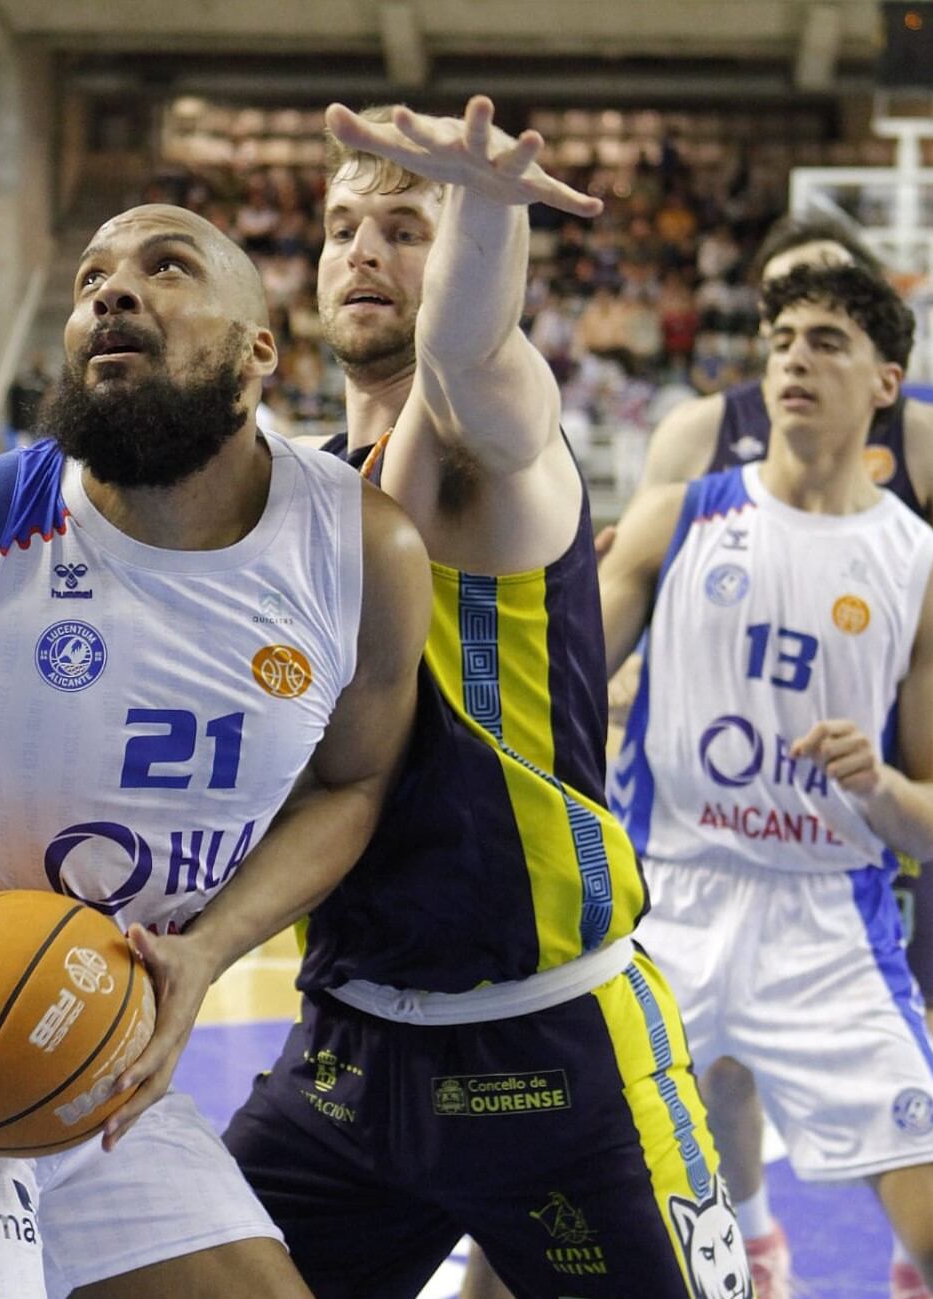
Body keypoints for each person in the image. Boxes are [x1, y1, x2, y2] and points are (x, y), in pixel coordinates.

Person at [0, 202, 431, 1299]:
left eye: (165, 267)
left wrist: (205, 953)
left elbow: (349, 784)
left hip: (96, 1038)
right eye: (90, 276)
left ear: (261, 348)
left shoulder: (359, 549)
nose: (108, 292)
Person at [223, 98, 739, 1299]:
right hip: (348, 1051)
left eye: (404, 228)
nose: (362, 249)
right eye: (344, 226)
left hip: (547, 1050)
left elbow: (467, 354)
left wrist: (486, 207)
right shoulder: (297, 488)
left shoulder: (478, 448)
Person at [600, 261, 933, 1298]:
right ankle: (750, 1249)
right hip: (667, 903)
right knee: (535, 1221)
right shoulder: (674, 518)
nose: (794, 356)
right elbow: (546, 690)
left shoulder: (918, 569)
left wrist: (877, 785)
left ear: (886, 380)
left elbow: (928, 829)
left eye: (827, 341)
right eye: (782, 336)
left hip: (828, 925)